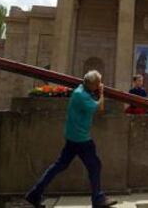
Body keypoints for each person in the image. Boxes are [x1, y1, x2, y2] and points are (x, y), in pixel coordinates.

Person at [25, 71, 117, 208]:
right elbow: (99, 107)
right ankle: (98, 199)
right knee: (95, 166)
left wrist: (96, 91)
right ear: (92, 84)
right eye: (98, 83)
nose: (99, 85)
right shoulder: (82, 96)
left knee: (59, 165)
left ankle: (34, 194)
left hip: (72, 136)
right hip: (82, 139)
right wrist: (102, 92)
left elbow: (93, 101)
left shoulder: (79, 90)